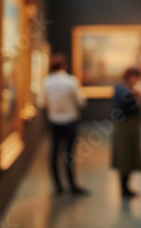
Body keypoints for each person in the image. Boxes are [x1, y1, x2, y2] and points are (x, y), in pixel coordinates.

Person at [43, 53, 88, 195]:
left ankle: (58, 186)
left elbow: (44, 102)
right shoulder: (71, 81)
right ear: (64, 66)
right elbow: (81, 102)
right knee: (69, 154)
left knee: (54, 153)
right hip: (70, 121)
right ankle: (72, 185)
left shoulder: (46, 82)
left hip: (54, 120)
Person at [111, 67, 141, 197]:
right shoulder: (125, 92)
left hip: (126, 127)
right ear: (130, 76)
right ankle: (124, 188)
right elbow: (135, 108)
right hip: (126, 128)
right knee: (125, 158)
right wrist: (138, 96)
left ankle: (125, 187)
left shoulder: (120, 89)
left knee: (126, 159)